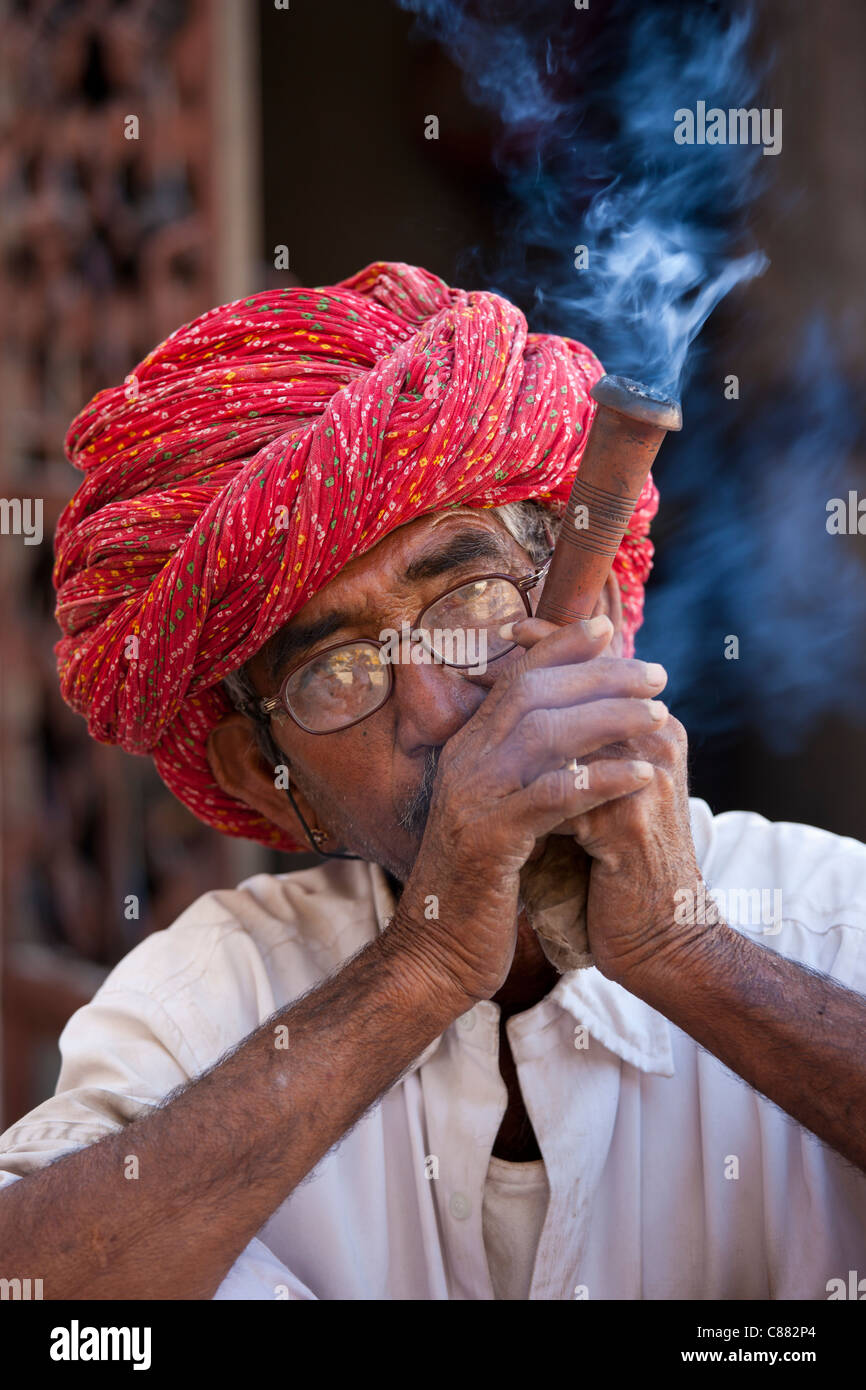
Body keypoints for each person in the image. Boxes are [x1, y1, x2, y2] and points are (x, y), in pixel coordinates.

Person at [1, 262, 865, 1301]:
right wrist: (426, 962)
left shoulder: (825, 922)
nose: (437, 707)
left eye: (468, 600)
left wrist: (690, 955)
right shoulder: (210, 1001)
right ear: (269, 780)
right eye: (339, 671)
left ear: (587, 618)